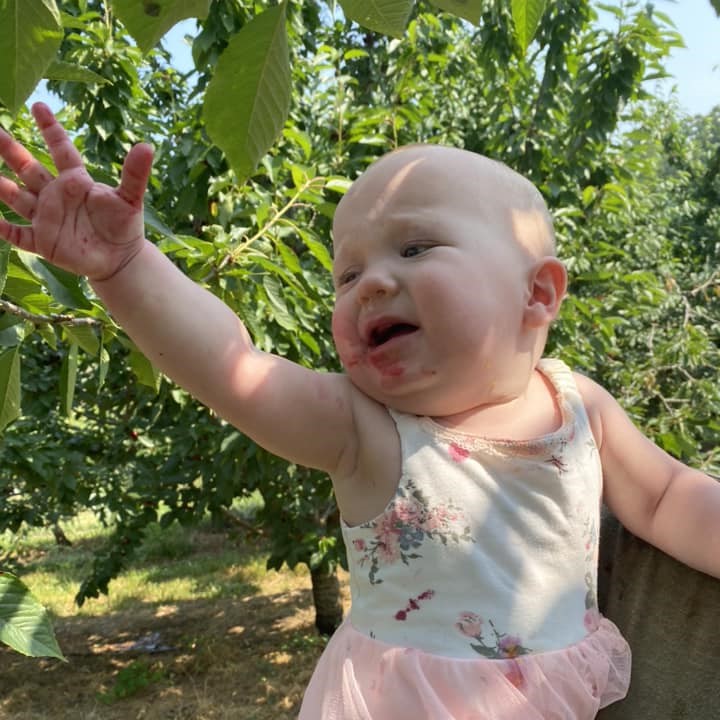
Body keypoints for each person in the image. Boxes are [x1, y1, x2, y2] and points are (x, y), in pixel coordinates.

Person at [0, 103, 718, 720]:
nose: (370, 282)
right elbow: (231, 367)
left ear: (537, 295)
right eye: (346, 272)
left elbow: (663, 496)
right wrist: (126, 271)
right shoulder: (365, 428)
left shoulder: (578, 405)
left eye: (415, 246)